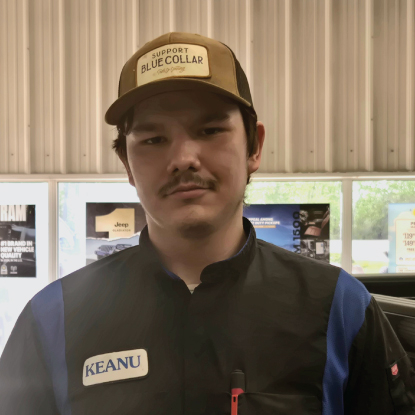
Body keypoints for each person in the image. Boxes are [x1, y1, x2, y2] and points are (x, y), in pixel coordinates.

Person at [0, 31, 414, 415]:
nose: (183, 159)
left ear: (254, 147)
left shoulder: (339, 309)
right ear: (126, 163)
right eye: (153, 139)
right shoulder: (53, 320)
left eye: (211, 129)